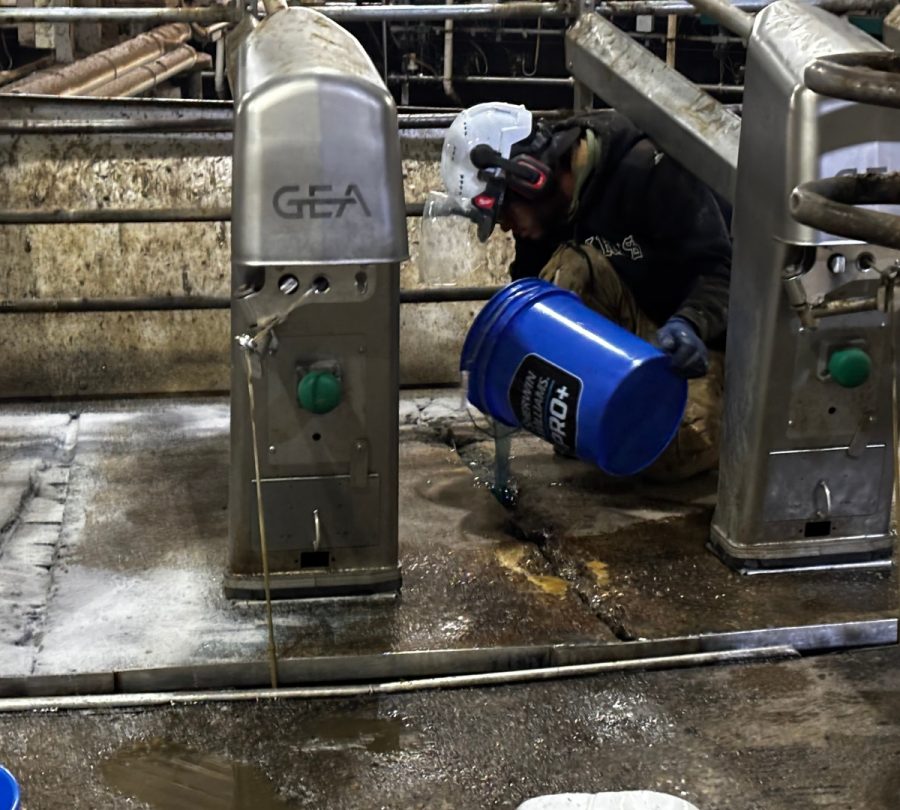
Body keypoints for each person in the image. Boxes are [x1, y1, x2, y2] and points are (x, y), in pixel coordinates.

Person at [440, 102, 732, 481]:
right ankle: (587, 417)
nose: (508, 228)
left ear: (530, 176)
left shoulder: (650, 168)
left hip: (697, 344)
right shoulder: (548, 217)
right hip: (635, 343)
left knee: (669, 448)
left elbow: (724, 270)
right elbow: (528, 298)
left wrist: (691, 323)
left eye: (504, 212)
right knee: (566, 270)